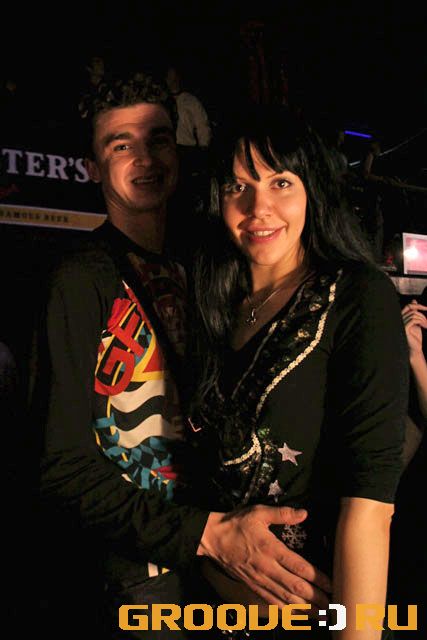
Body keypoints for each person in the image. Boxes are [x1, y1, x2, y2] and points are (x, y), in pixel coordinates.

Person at [29, 75, 330, 639]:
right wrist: (205, 533)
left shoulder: (209, 265)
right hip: (141, 572)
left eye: (158, 139)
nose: (145, 158)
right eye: (121, 144)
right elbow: (59, 464)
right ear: (92, 167)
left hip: (226, 553)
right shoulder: (78, 279)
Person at [185, 104, 409, 638]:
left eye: (281, 182)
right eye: (238, 187)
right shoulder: (213, 303)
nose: (258, 208)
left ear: (313, 191)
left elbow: (369, 510)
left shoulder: (356, 296)